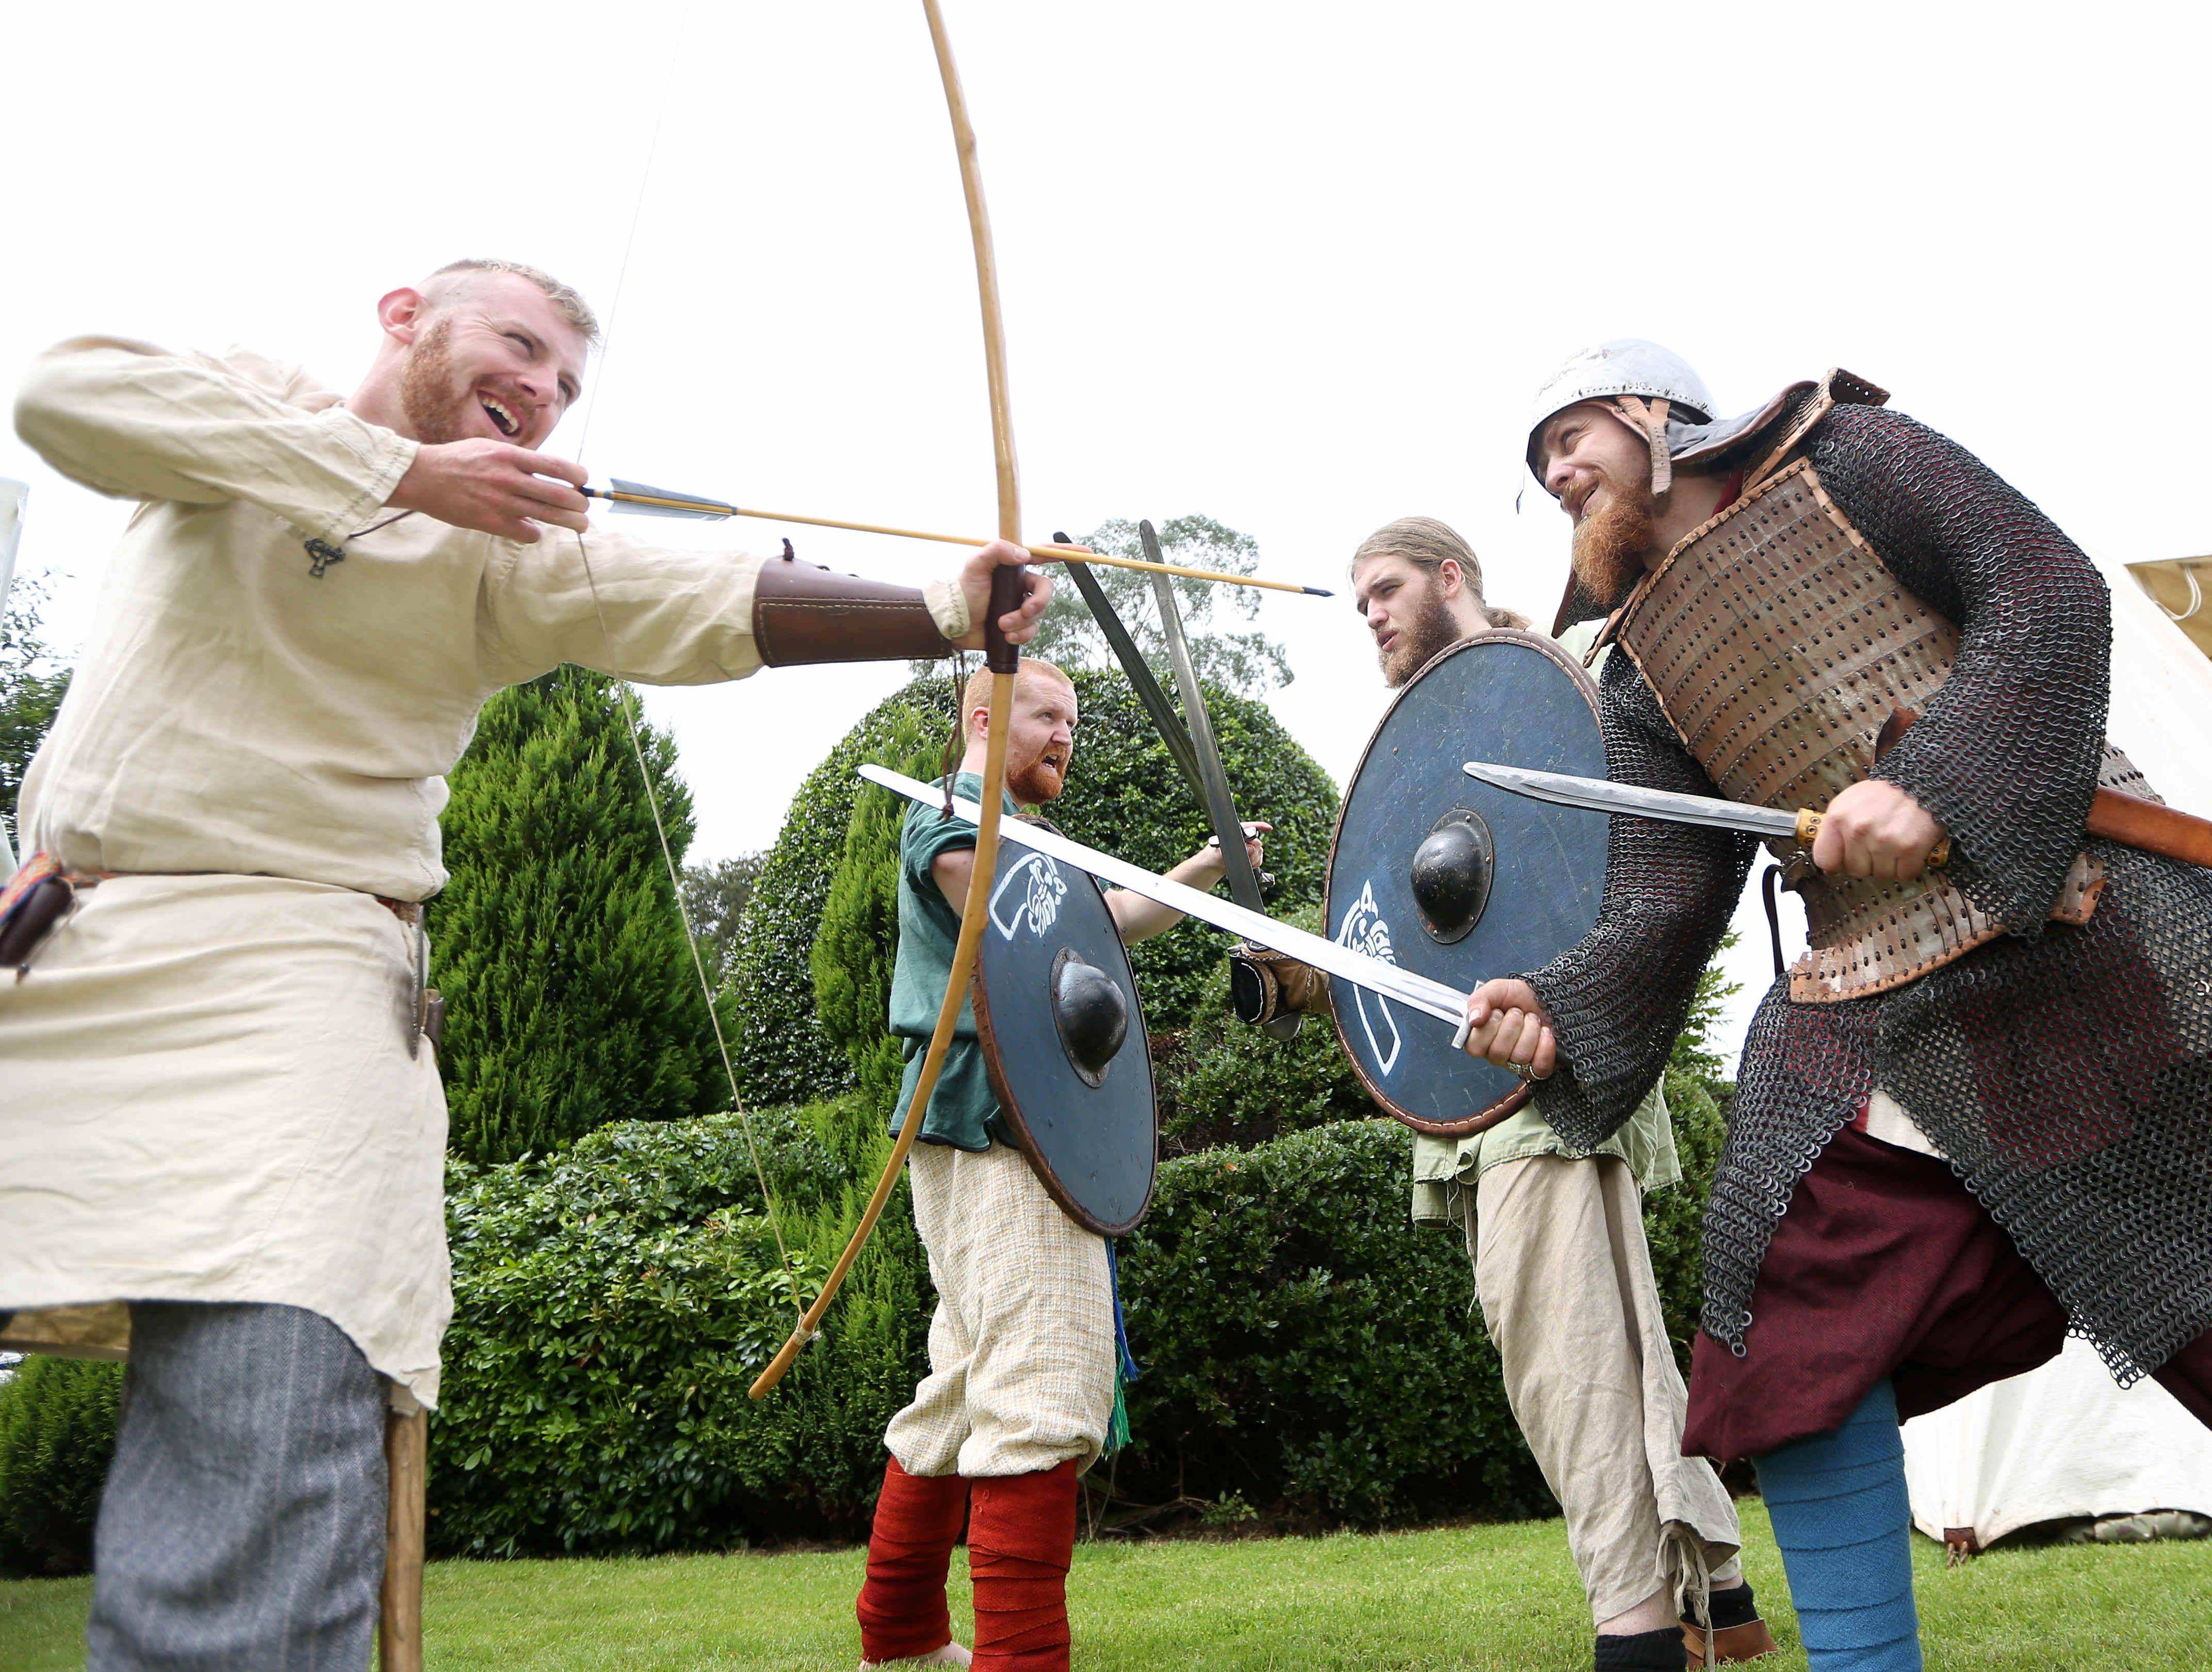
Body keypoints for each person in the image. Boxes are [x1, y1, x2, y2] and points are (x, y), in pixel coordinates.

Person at [0, 257, 1050, 1672]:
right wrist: (401, 474)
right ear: (403, 315)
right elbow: (66, 397)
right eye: (521, 345)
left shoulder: (505, 552)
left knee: (266, 1397)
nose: (546, 393)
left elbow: (691, 598)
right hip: (76, 957)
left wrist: (938, 604)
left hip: (296, 996)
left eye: (565, 382)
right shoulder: (255, 407)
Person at [1465, 339, 2212, 1670]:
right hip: (1865, 996)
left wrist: (1939, 785)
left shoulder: (1853, 458)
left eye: (1571, 438)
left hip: (2075, 927)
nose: (1559, 474)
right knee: (1780, 1326)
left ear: (1658, 414)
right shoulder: (1639, 666)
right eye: (1540, 468)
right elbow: (1661, 902)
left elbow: (2043, 597)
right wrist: (1561, 1013)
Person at [1350, 517, 1774, 1672]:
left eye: (1385, 589)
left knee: (1562, 1356)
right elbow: (1403, 930)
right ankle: (1720, 1596)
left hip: (1556, 1069)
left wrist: (1559, 999)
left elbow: (1646, 874)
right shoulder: (1425, 746)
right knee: (1619, 1344)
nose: (1371, 617)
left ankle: (1633, 1630)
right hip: (1484, 1081)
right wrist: (1305, 975)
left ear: (1451, 578)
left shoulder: (1575, 684)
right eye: (1357, 604)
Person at [855, 657, 1264, 1672]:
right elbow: (990, 908)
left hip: (998, 1137)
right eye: (1044, 714)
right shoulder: (948, 814)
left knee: (964, 1381)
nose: (1064, 734)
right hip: (996, 1131)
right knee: (1039, 1383)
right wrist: (1028, 857)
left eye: (1072, 720)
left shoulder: (1026, 837)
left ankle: (899, 1634)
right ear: (985, 716)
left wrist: (1204, 868)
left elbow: (1103, 925)